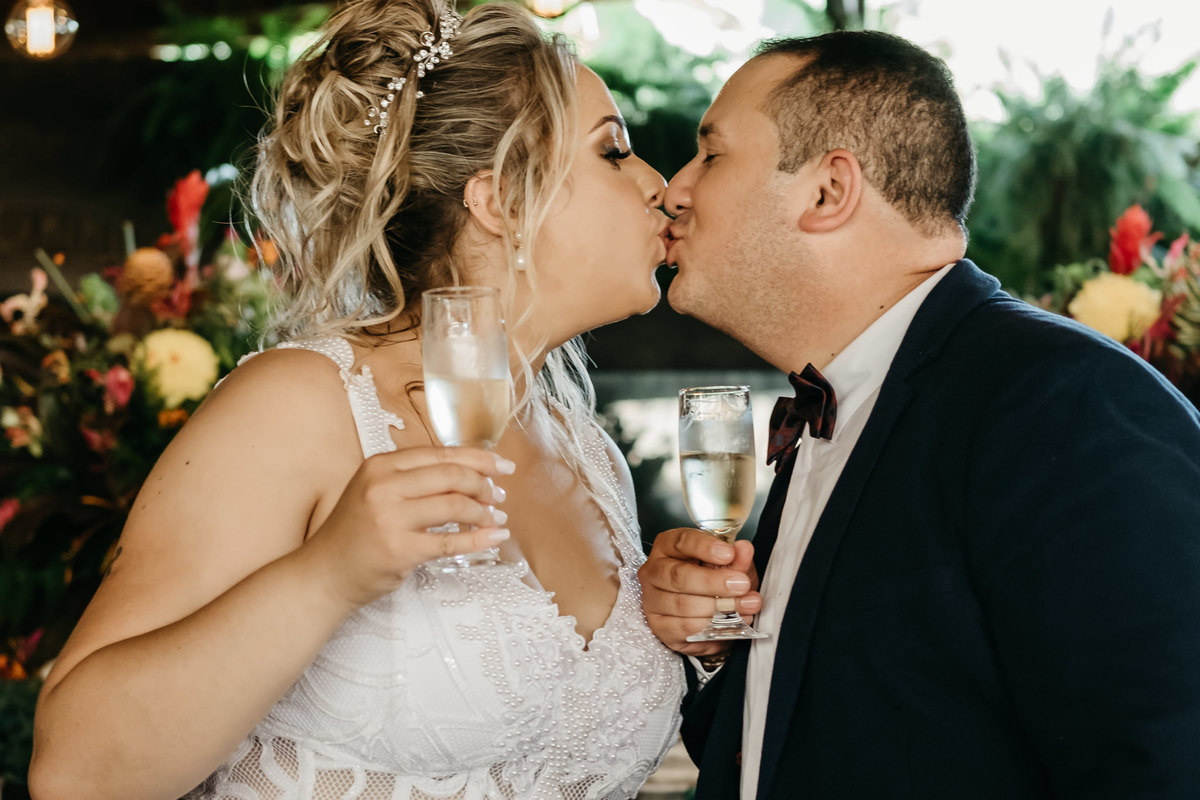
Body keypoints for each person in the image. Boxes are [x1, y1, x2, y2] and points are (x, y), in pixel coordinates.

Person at [29, 1, 684, 798]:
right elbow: (75, 773)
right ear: (500, 200)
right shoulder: (301, 406)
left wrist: (683, 619)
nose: (661, 186)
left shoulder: (586, 451)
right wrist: (327, 575)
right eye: (615, 152)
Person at [639, 29, 1200, 800]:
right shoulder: (838, 402)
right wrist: (719, 645)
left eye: (712, 154)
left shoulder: (1065, 405)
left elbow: (1162, 760)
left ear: (828, 191)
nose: (674, 187)